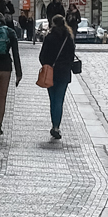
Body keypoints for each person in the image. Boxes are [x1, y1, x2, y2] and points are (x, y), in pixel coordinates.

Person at [39, 8, 77, 140]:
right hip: (64, 73)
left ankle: (54, 124)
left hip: (50, 72)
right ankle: (56, 126)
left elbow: (42, 56)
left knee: (53, 99)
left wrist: (46, 64)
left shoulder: (49, 37)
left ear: (53, 23)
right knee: (59, 100)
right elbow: (72, 56)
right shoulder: (69, 38)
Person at [0, 0, 21, 135]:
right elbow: (16, 54)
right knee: (2, 98)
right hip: (6, 68)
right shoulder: (10, 32)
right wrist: (19, 73)